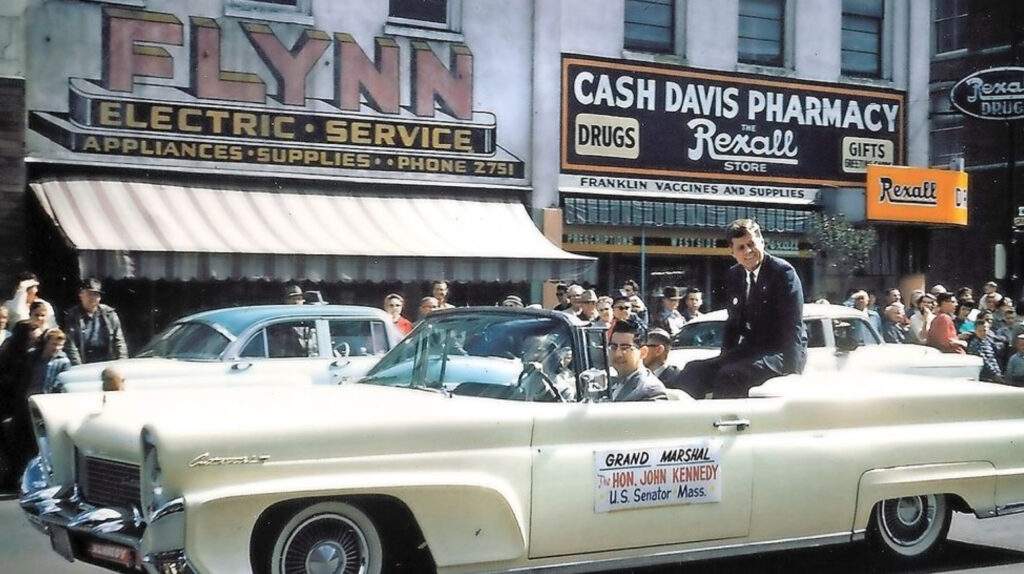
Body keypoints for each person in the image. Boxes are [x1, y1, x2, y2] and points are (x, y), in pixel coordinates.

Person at [676, 219, 807, 399]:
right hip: (751, 349)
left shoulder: (783, 273)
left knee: (731, 375)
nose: (748, 252)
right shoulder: (734, 274)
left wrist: (792, 372)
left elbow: (793, 325)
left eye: (751, 244)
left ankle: (721, 423)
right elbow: (733, 323)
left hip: (781, 352)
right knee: (693, 370)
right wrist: (724, 357)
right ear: (732, 252)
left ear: (761, 241)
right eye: (741, 248)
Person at [62, 278, 129, 366]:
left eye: (96, 294)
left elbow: (119, 341)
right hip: (84, 361)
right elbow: (70, 346)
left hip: (107, 360)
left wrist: (122, 363)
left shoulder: (109, 314)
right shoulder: (72, 316)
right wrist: (79, 367)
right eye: (89, 294)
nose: (92, 297)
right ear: (81, 294)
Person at [606, 319, 667, 402]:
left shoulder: (651, 390)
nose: (618, 354)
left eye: (625, 348)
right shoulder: (608, 383)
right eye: (613, 347)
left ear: (643, 352)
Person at [26, 329, 72, 396]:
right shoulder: (31, 356)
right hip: (30, 396)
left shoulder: (64, 362)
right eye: (54, 344)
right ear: (46, 343)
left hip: (50, 398)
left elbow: (64, 383)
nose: (56, 348)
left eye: (60, 345)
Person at [966, 316, 1004, 383]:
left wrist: (998, 372)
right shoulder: (975, 344)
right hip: (983, 375)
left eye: (984, 330)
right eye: (980, 331)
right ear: (975, 331)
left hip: (993, 373)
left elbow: (992, 358)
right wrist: (995, 374)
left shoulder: (988, 341)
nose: (982, 333)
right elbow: (984, 360)